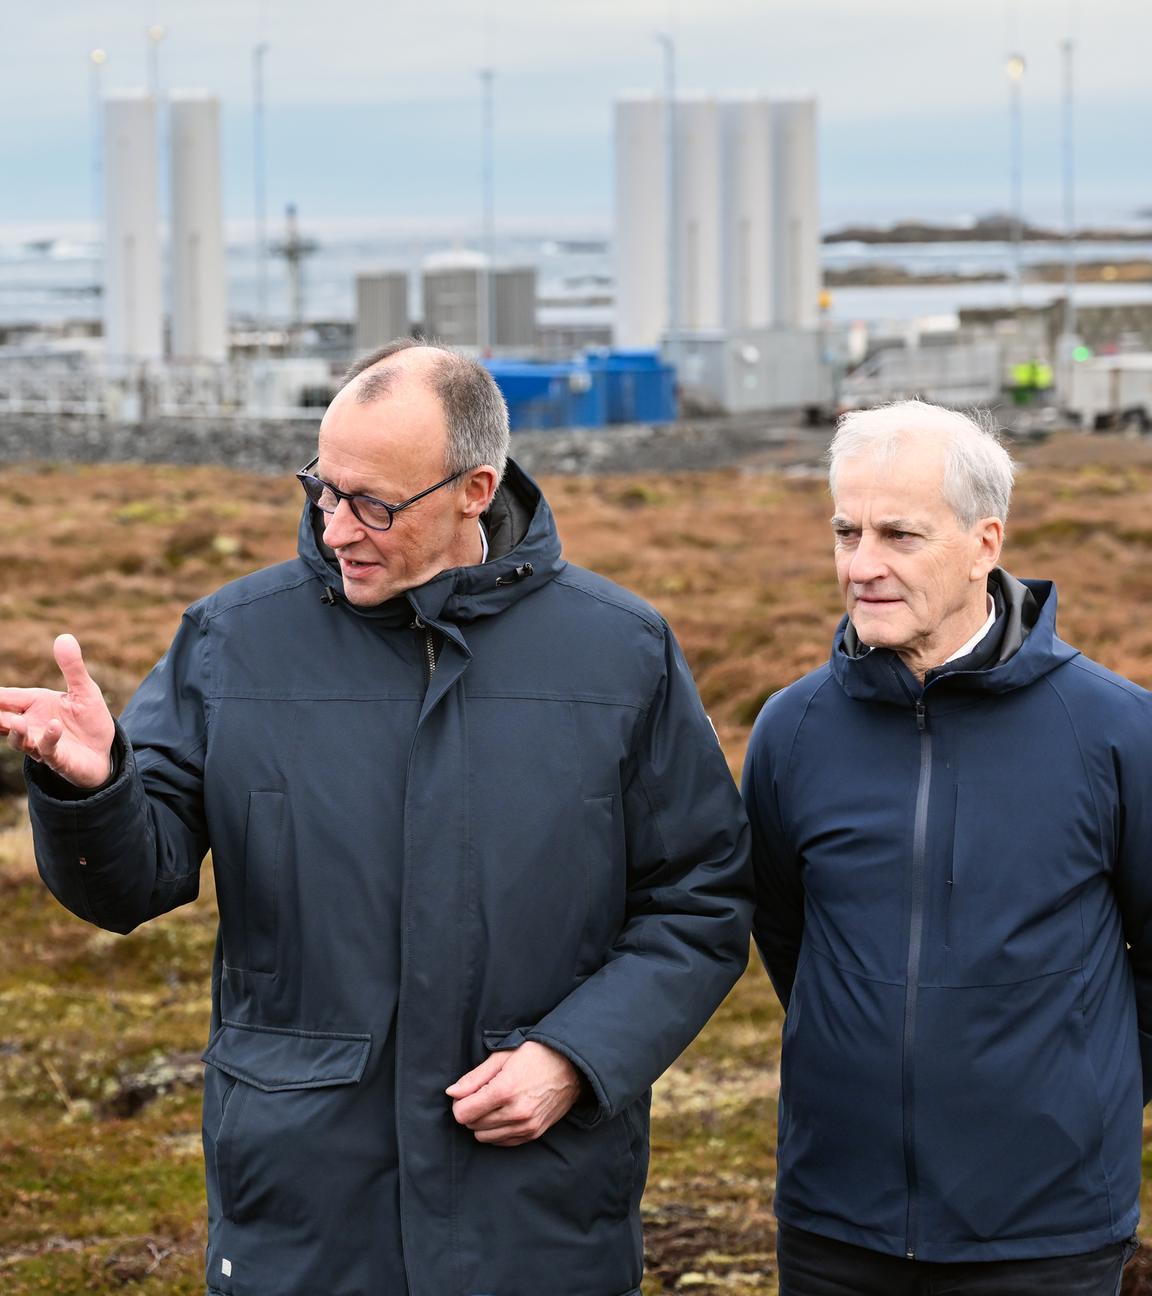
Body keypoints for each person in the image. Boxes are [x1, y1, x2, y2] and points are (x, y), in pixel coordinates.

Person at [3, 340, 752, 1296]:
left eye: (374, 504)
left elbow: (700, 902)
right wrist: (93, 786)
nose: (336, 527)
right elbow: (131, 885)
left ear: (476, 489)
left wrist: (579, 1055)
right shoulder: (232, 641)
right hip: (303, 1208)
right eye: (324, 489)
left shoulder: (622, 654)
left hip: (537, 1211)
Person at [742, 399, 1149, 1295]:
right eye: (846, 531)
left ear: (984, 544)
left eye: (899, 535)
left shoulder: (1117, 732)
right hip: (835, 1221)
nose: (862, 566)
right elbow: (788, 939)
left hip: (1046, 1228)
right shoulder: (790, 730)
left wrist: (1079, 1094)